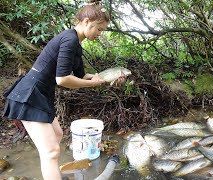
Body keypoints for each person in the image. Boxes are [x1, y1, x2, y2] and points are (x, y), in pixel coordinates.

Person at [3, 4, 123, 180]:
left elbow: (82, 76)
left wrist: (104, 79)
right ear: (86, 21)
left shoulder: (77, 45)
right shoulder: (70, 39)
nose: (100, 33)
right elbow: (63, 79)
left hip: (42, 95)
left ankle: (53, 173)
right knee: (51, 152)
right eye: (99, 29)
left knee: (57, 136)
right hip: (30, 94)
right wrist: (90, 85)